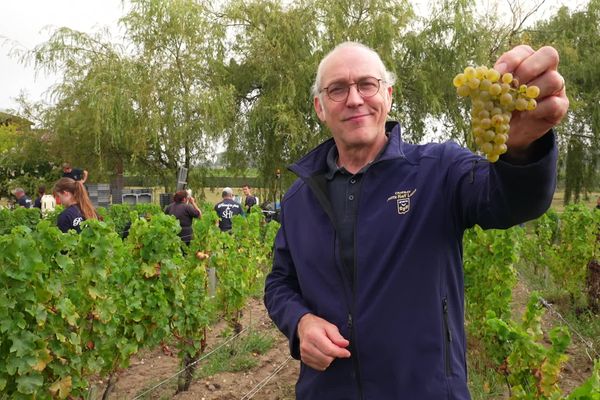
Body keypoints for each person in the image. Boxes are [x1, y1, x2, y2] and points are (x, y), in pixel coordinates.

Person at [264, 42, 568, 399]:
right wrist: (300, 323)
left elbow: (511, 201)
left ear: (388, 96)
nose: (355, 99)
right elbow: (280, 283)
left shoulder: (439, 170)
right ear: (319, 107)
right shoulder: (299, 197)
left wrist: (524, 148)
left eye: (367, 84)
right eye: (337, 89)